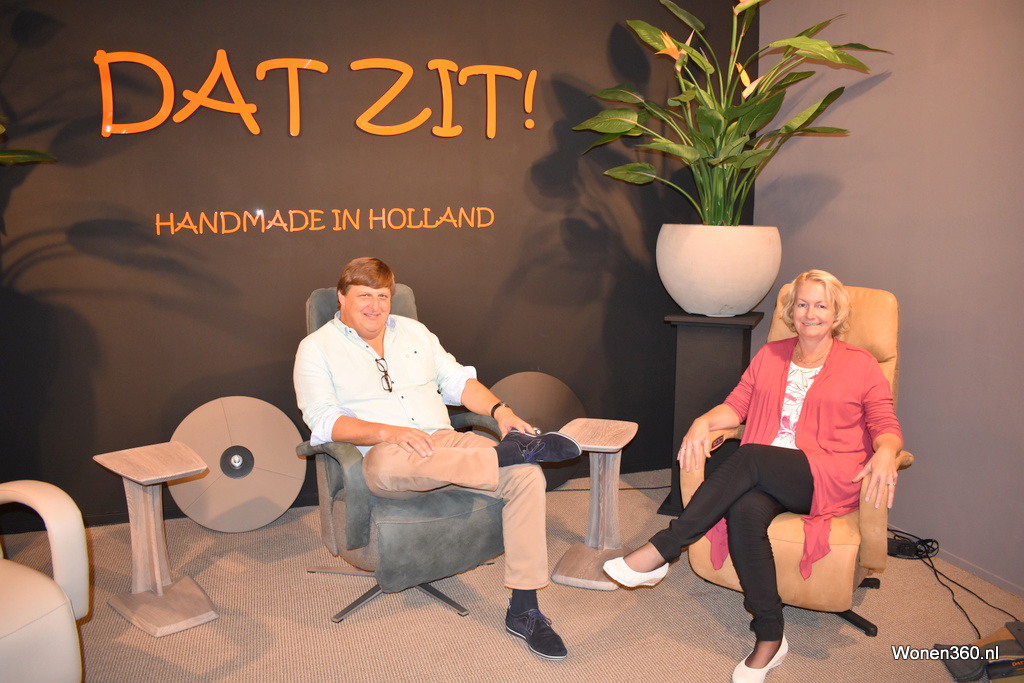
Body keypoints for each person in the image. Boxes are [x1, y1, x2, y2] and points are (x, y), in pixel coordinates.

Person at [602, 269, 903, 683]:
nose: (811, 313)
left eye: (821, 305)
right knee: (744, 511)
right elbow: (736, 405)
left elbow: (885, 423)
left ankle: (665, 547)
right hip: (766, 473)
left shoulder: (860, 364)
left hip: (826, 474)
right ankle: (770, 635)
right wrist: (703, 421)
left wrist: (886, 451)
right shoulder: (771, 355)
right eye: (802, 304)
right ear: (791, 311)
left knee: (749, 457)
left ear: (836, 314)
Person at [293, 257, 580, 660]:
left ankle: (524, 608)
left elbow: (459, 381)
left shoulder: (415, 332)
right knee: (389, 464)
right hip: (384, 455)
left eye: (382, 296)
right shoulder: (316, 348)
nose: (375, 306)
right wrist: (388, 432)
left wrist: (501, 413)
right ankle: (511, 454)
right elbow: (324, 421)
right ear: (341, 297)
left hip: (443, 441)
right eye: (364, 296)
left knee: (526, 475)